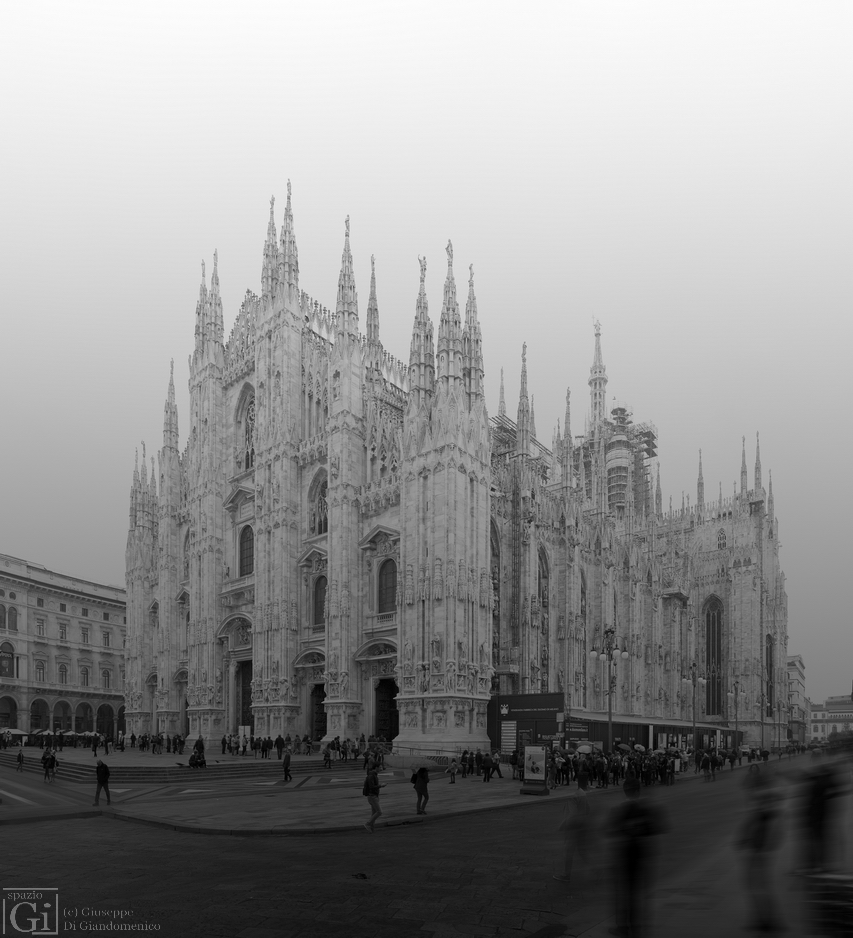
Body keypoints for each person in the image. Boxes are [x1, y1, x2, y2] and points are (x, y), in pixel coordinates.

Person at [609, 774, 665, 937]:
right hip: (643, 857)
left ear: (625, 791)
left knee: (624, 894)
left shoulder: (620, 809)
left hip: (625, 857)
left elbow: (612, 831)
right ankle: (636, 927)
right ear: (638, 791)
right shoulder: (647, 808)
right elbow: (658, 827)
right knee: (637, 894)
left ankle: (624, 927)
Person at [363, 764, 385, 832]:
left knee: (374, 812)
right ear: (376, 767)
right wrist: (380, 786)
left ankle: (371, 827)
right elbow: (371, 786)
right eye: (380, 767)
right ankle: (368, 824)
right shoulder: (372, 775)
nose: (381, 768)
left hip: (374, 795)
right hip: (372, 796)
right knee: (379, 812)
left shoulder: (373, 774)